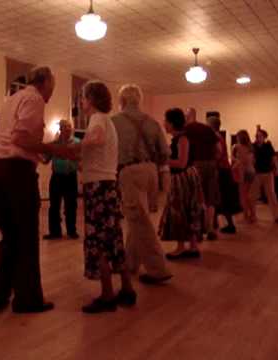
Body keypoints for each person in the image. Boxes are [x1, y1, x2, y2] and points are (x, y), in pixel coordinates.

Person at [0, 66, 73, 314]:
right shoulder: (34, 98)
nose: (51, 94)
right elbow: (21, 139)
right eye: (52, 88)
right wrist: (56, 150)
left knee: (10, 238)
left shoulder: (11, 99)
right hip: (16, 173)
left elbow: (15, 140)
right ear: (43, 83)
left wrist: (42, 151)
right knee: (26, 237)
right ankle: (28, 299)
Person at [71, 80, 136, 313]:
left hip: (97, 188)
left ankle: (108, 295)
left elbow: (95, 140)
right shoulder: (107, 121)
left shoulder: (97, 119)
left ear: (92, 99)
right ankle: (127, 289)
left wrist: (75, 146)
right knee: (113, 239)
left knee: (98, 240)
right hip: (107, 184)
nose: (81, 101)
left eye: (83, 97)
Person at [111, 84, 171, 285]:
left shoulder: (114, 122)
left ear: (121, 101)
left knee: (139, 220)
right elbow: (164, 153)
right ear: (139, 100)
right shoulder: (152, 122)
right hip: (151, 171)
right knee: (138, 216)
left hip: (129, 171)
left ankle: (158, 269)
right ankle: (130, 263)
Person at [160, 108, 204, 259]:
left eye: (165, 120)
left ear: (172, 123)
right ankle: (192, 246)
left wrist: (162, 160)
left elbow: (181, 162)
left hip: (182, 179)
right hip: (186, 178)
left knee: (179, 211)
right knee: (187, 210)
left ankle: (181, 247)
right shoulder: (179, 138)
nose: (163, 123)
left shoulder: (182, 139)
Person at [184, 107, 221, 240]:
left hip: (195, 165)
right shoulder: (207, 129)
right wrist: (213, 160)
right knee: (210, 198)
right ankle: (210, 228)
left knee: (196, 198)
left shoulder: (186, 130)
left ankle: (198, 230)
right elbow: (219, 149)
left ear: (187, 116)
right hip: (210, 164)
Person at [42, 119, 80, 240]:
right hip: (57, 177)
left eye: (69, 127)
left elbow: (82, 159)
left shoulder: (77, 142)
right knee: (54, 205)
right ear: (61, 129)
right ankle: (55, 232)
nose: (68, 129)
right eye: (65, 127)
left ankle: (71, 231)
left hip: (71, 176)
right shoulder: (54, 144)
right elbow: (45, 160)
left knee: (71, 205)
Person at [206, 116, 240, 233]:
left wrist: (211, 162)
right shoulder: (219, 136)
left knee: (221, 198)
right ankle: (215, 223)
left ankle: (229, 225)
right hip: (223, 170)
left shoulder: (215, 137)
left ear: (211, 125)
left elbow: (219, 153)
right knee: (218, 198)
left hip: (221, 170)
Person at [251, 128, 278, 224]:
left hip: (268, 173)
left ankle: (277, 216)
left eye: (260, 136)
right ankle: (253, 215)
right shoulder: (253, 146)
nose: (258, 137)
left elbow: (274, 158)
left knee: (271, 194)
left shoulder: (268, 146)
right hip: (256, 174)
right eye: (256, 136)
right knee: (253, 195)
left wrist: (277, 168)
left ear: (264, 137)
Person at [232, 130, 256, 223]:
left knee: (242, 195)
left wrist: (235, 165)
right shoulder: (251, 147)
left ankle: (246, 215)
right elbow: (252, 161)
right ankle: (253, 215)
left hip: (243, 172)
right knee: (248, 195)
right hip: (251, 171)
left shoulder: (237, 147)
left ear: (239, 137)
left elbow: (239, 160)